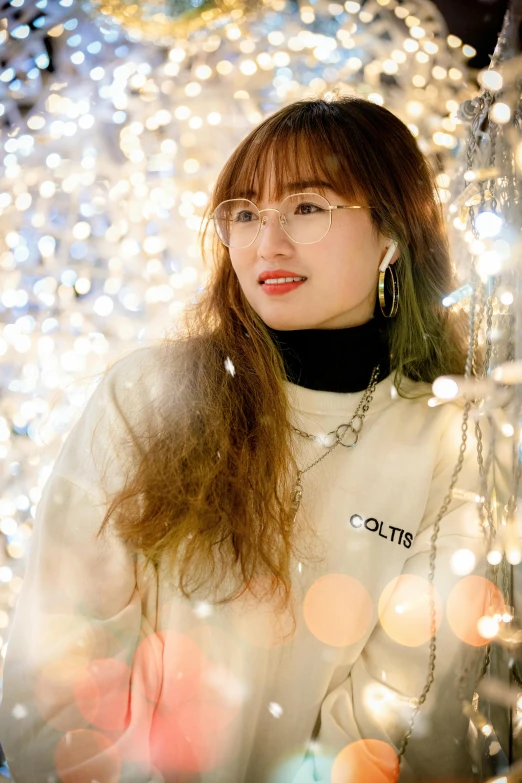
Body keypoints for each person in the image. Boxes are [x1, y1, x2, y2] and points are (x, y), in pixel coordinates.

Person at [0, 96, 491, 783]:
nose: (269, 243)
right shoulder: (148, 395)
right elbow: (63, 647)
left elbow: (412, 700)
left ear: (391, 231)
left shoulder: (452, 434)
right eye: (245, 213)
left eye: (308, 207)